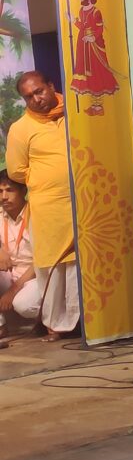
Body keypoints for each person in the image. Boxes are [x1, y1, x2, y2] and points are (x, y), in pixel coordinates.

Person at [5, 71, 81, 341]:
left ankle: (86, 321)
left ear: (51, 86)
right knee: (55, 265)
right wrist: (45, 179)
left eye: (39, 91)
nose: (36, 99)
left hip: (84, 199)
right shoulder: (21, 129)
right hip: (48, 206)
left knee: (82, 261)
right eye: (28, 97)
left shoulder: (76, 113)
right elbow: (16, 170)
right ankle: (56, 325)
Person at [69, 0, 119, 116]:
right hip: (83, 45)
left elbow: (99, 29)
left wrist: (92, 38)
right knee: (87, 74)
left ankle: (99, 107)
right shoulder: (82, 10)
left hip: (94, 46)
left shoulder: (96, 12)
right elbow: (82, 26)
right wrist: (73, 20)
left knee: (96, 73)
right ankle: (94, 106)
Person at [0, 171, 41, 345]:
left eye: (9, 190)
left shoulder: (36, 214)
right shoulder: (0, 214)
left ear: (23, 191)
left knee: (24, 305)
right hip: (11, 273)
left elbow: (40, 261)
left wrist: (13, 290)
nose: (4, 196)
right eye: (0, 191)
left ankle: (51, 320)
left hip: (36, 275)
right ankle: (1, 326)